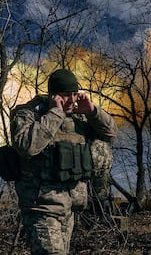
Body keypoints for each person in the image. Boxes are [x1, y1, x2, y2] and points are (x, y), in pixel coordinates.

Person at [11, 68, 118, 254]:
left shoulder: (78, 117)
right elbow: (27, 146)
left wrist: (92, 111)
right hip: (42, 209)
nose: (72, 100)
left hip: (69, 210)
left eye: (75, 94)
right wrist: (54, 113)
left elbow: (111, 134)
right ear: (53, 95)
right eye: (66, 95)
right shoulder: (29, 114)